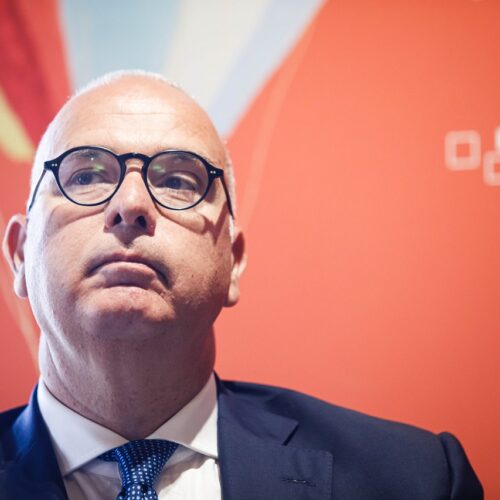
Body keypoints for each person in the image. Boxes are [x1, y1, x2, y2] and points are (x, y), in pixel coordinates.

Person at [0, 71, 482, 500]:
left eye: (178, 181)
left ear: (233, 261)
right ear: (20, 255)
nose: (130, 205)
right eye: (86, 175)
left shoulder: (415, 479)